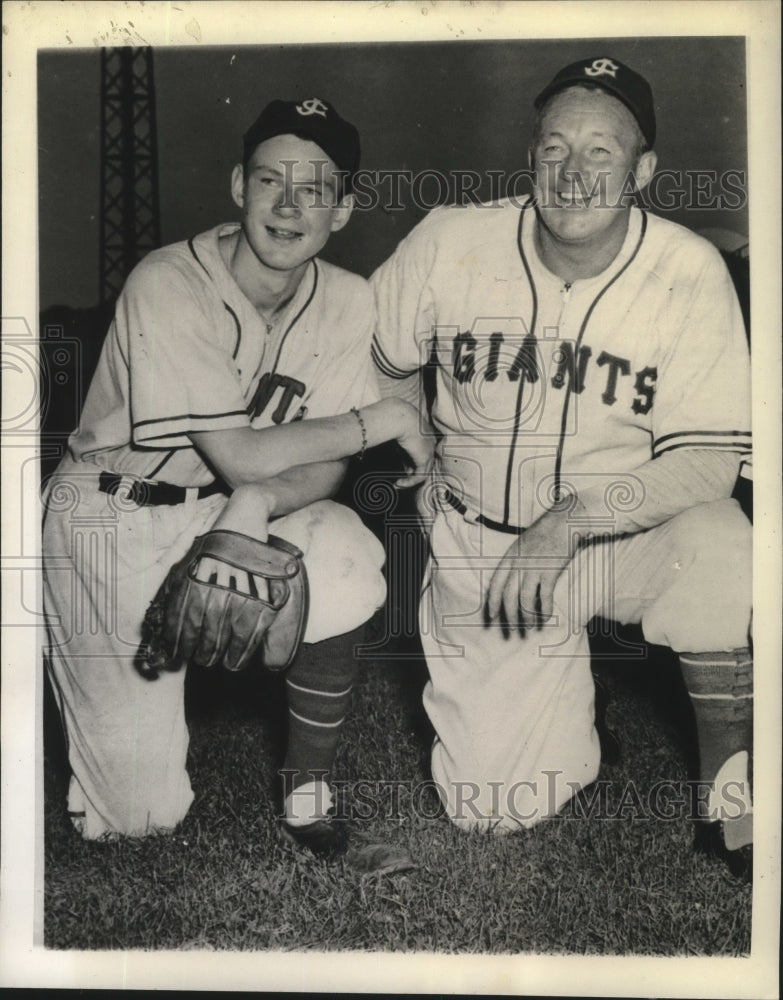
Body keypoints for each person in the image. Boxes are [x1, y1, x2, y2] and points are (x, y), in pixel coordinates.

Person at [370, 57, 753, 879]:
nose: (573, 175)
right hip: (481, 549)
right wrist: (410, 430)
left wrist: (571, 517)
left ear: (643, 170)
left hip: (614, 538)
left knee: (722, 543)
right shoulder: (451, 240)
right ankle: (575, 720)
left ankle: (730, 794)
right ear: (531, 154)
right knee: (488, 812)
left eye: (601, 153)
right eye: (554, 148)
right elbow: (371, 351)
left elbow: (710, 462)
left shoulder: (688, 271)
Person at [42, 97, 432, 864]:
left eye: (314, 188)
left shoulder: (348, 300)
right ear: (237, 187)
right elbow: (244, 453)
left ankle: (307, 798)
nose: (288, 206)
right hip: (109, 520)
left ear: (343, 208)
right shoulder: (168, 280)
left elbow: (309, 469)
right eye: (268, 181)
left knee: (343, 551)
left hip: (223, 509)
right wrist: (381, 419)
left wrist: (256, 505)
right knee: (135, 820)